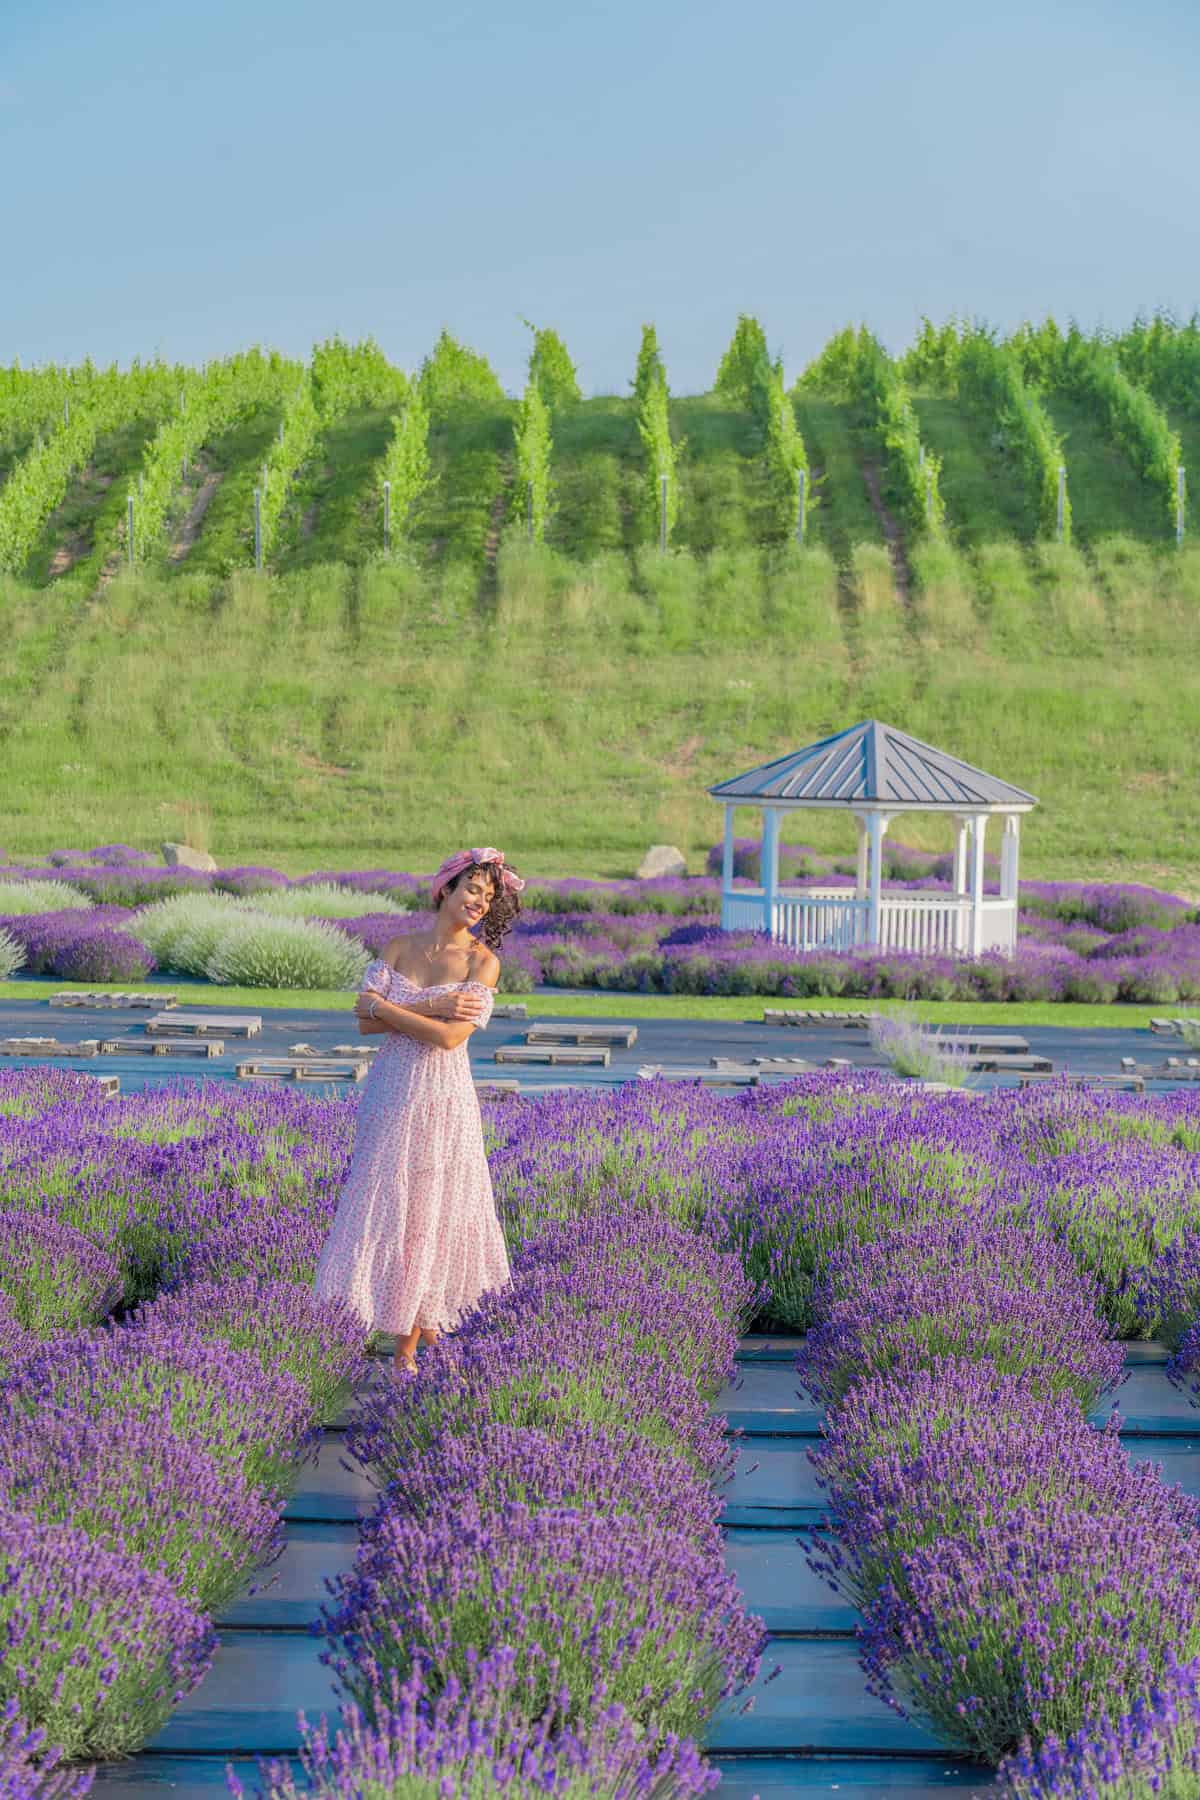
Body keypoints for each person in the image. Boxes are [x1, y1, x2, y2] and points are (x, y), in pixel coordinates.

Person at [312, 847, 523, 1375]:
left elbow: (450, 1039)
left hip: (445, 1098)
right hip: (390, 1092)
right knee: (388, 1205)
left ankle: (415, 1346)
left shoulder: (483, 962)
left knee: (437, 1211)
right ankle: (380, 1331)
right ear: (445, 889)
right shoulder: (400, 947)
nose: (480, 902)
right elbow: (363, 1021)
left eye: (489, 896)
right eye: (473, 889)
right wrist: (427, 1005)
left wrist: (389, 1009)